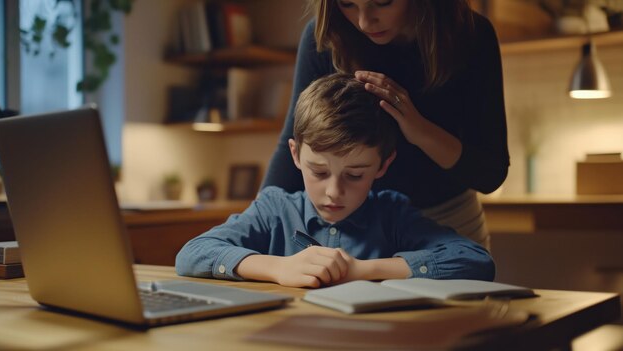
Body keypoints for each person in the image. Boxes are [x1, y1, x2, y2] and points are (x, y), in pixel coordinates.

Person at [176, 73, 494, 288]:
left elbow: (475, 261)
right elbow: (193, 253)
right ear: (296, 154)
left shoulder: (391, 214)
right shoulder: (274, 209)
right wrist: (277, 268)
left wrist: (361, 270)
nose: (334, 192)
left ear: (383, 165)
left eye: (355, 175)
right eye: (319, 171)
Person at [261, 0, 509, 250]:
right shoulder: (326, 37)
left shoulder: (471, 36)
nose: (364, 22)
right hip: (354, 233)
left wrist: (419, 129)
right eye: (347, 4)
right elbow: (293, 143)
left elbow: (489, 174)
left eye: (382, 3)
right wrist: (257, 226)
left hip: (446, 226)